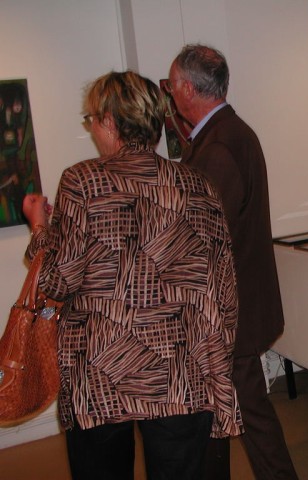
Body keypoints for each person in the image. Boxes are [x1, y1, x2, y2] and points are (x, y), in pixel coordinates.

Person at [21, 71, 242, 480]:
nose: (92, 129)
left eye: (91, 120)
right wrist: (216, 363)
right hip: (180, 371)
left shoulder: (82, 181)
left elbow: (57, 280)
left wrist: (40, 230)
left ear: (109, 120)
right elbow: (223, 286)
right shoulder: (197, 185)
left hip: (101, 374)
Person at [168, 45, 298, 479]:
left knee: (249, 413)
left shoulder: (219, 146)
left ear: (189, 89)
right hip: (236, 306)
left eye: (172, 85)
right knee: (229, 411)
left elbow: (202, 237)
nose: (170, 93)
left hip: (228, 312)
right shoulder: (227, 134)